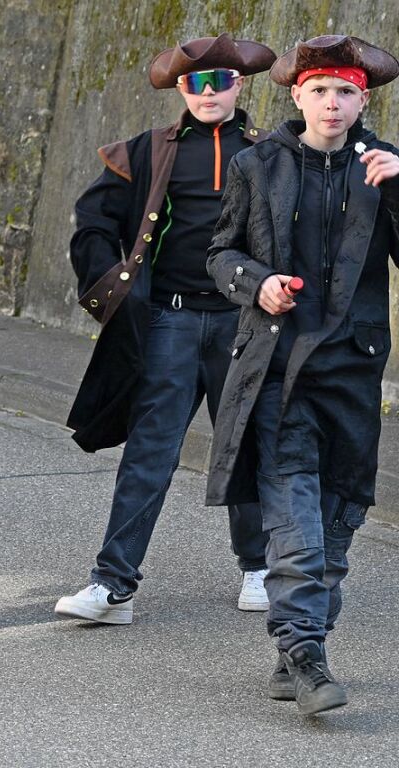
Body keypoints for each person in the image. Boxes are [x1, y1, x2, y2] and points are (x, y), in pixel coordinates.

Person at [206, 35, 399, 715]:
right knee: (294, 524)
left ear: (363, 98)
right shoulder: (258, 165)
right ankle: (308, 653)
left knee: (339, 521)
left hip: (352, 372)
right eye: (320, 90)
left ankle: (297, 648)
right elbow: (219, 253)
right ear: (296, 96)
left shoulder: (385, 168)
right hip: (278, 373)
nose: (333, 103)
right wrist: (255, 283)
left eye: (345, 91)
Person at [55, 34, 276, 626]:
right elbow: (92, 221)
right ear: (181, 88)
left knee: (249, 442)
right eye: (197, 82)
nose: (209, 92)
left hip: (242, 323)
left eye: (221, 80)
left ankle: (259, 569)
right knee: (149, 455)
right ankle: (113, 586)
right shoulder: (146, 151)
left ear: (240, 86)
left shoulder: (272, 152)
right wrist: (115, 287)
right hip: (169, 322)